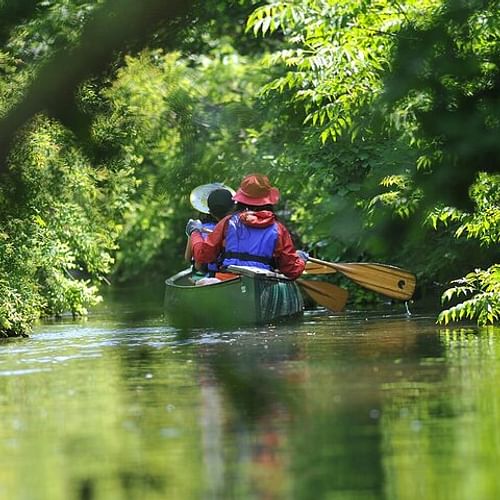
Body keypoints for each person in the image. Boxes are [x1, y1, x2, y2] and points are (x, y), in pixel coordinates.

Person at [186, 173, 307, 280]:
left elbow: (203, 256)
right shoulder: (278, 229)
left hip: (227, 281)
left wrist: (195, 232)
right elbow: (292, 271)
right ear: (268, 200)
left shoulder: (228, 222)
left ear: (241, 200)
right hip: (261, 285)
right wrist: (301, 260)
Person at [185, 185, 235, 281]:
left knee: (195, 276)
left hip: (210, 275)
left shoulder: (197, 227)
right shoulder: (234, 226)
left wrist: (193, 233)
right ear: (232, 208)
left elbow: (188, 258)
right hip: (229, 274)